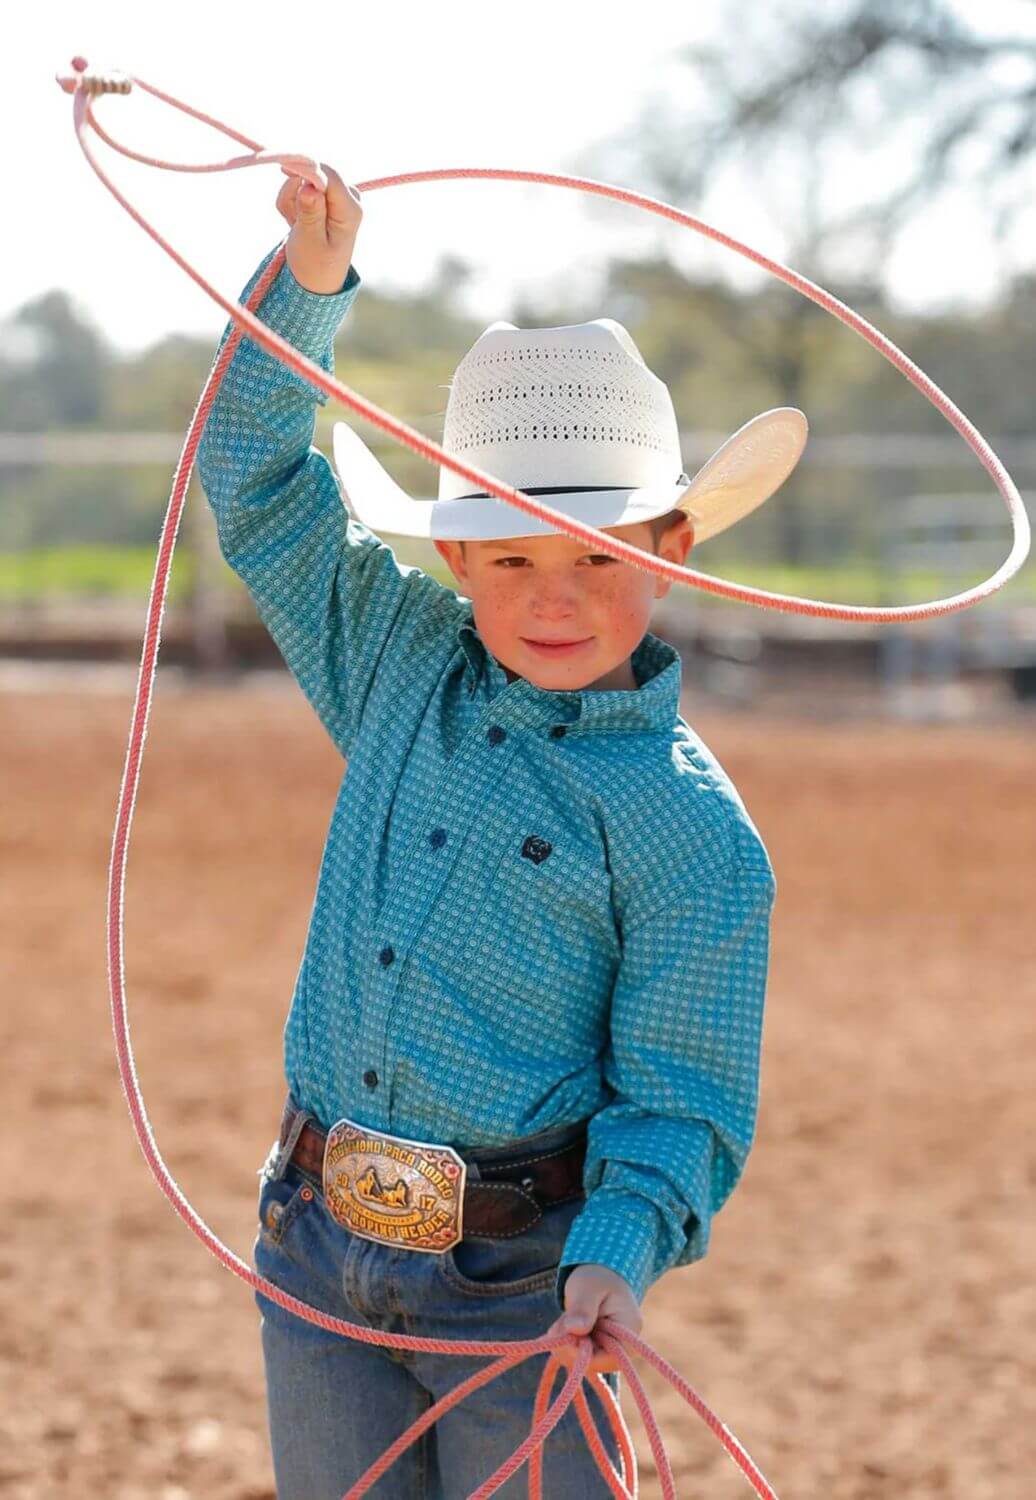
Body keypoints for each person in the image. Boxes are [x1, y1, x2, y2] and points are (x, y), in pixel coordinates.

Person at [197, 162, 805, 1500]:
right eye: (513, 554)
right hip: (316, 1243)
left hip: (524, 1286)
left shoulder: (691, 832)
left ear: (676, 546)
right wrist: (308, 285)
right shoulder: (395, 662)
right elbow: (254, 482)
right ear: (455, 558)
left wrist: (618, 1253)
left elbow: (682, 1097)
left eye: (602, 555)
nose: (557, 597)